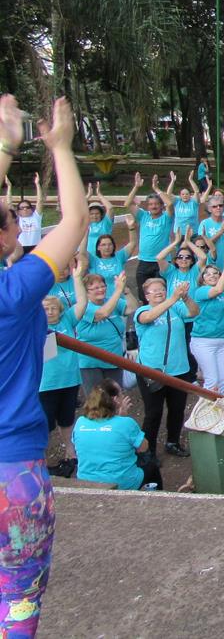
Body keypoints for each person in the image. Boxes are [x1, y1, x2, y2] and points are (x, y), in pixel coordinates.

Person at [0, 95, 86, 638]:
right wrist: (59, 147)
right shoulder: (15, 292)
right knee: (19, 598)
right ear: (9, 236)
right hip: (15, 470)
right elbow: (74, 221)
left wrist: (5, 147)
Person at [132, 277, 199, 458]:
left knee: (177, 409)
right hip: (151, 370)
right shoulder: (142, 311)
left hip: (179, 369)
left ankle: (173, 442)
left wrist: (185, 298)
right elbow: (148, 318)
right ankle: (148, 450)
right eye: (154, 291)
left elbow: (194, 312)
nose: (159, 292)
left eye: (162, 289)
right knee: (153, 412)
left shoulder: (176, 308)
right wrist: (172, 299)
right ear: (146, 296)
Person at [72, 380, 162, 490]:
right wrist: (122, 418)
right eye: (121, 393)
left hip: (86, 482)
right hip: (121, 483)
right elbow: (144, 447)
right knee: (152, 467)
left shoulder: (80, 422)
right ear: (115, 400)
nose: (123, 395)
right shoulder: (126, 423)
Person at [190, 249, 224, 395]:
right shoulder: (200, 291)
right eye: (208, 274)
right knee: (212, 380)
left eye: (215, 273)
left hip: (222, 341)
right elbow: (217, 290)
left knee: (223, 379)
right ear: (202, 279)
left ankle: (218, 412)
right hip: (203, 341)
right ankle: (205, 415)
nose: (212, 276)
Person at [72, 268, 132, 396]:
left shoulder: (112, 301)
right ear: (86, 292)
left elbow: (132, 308)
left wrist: (125, 291)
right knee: (97, 400)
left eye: (102, 286)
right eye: (95, 288)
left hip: (114, 359)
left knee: (115, 398)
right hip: (91, 363)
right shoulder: (83, 307)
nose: (100, 289)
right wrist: (118, 291)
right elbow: (103, 313)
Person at [39, 297, 81, 477]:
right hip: (46, 384)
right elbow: (46, 354)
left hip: (70, 380)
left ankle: (70, 453)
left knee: (67, 419)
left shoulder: (67, 319)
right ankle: (42, 461)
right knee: (45, 425)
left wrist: (77, 276)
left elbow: (82, 304)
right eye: (46, 308)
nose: (50, 311)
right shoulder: (35, 326)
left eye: (53, 308)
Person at [123, 172, 174, 298]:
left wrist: (156, 189)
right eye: (150, 204)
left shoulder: (166, 218)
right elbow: (127, 204)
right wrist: (136, 187)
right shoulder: (143, 216)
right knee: (144, 295)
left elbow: (171, 204)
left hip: (161, 262)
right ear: (147, 206)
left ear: (162, 206)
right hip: (144, 261)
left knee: (160, 295)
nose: (154, 206)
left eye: (157, 204)